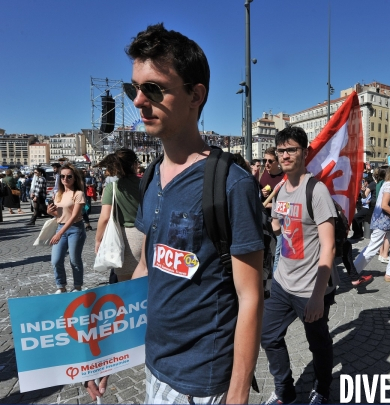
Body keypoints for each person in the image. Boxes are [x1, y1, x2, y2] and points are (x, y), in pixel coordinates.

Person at [85, 23, 264, 404]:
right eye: (135, 88)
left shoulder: (232, 184)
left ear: (195, 95)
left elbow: (250, 297)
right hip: (155, 366)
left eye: (154, 89)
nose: (137, 101)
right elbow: (147, 269)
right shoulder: (150, 176)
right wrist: (107, 353)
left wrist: (237, 394)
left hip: (204, 381)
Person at [262, 126, 338, 404]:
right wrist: (269, 219)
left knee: (318, 344)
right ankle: (285, 390)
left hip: (310, 288)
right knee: (268, 336)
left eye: (291, 149)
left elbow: (328, 246)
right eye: (281, 150)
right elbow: (280, 228)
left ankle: (322, 389)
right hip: (283, 281)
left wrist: (318, 296)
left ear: (304, 152)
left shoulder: (316, 191)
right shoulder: (281, 189)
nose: (285, 155)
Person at [353, 162, 390, 284]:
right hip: (382, 222)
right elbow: (385, 205)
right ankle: (353, 270)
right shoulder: (389, 185)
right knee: (372, 248)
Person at [95, 149, 143, 282]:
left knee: (125, 285)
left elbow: (104, 218)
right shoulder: (145, 184)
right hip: (146, 236)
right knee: (146, 285)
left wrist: (98, 240)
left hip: (124, 239)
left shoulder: (113, 187)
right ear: (135, 164)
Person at [46, 163, 87, 293]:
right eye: (62, 176)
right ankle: (61, 287)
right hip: (61, 228)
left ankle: (77, 287)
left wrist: (59, 234)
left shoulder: (78, 194)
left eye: (69, 176)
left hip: (76, 229)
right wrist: (50, 212)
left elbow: (74, 216)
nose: (65, 179)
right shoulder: (58, 194)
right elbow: (60, 215)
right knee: (56, 260)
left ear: (74, 178)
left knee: (74, 260)